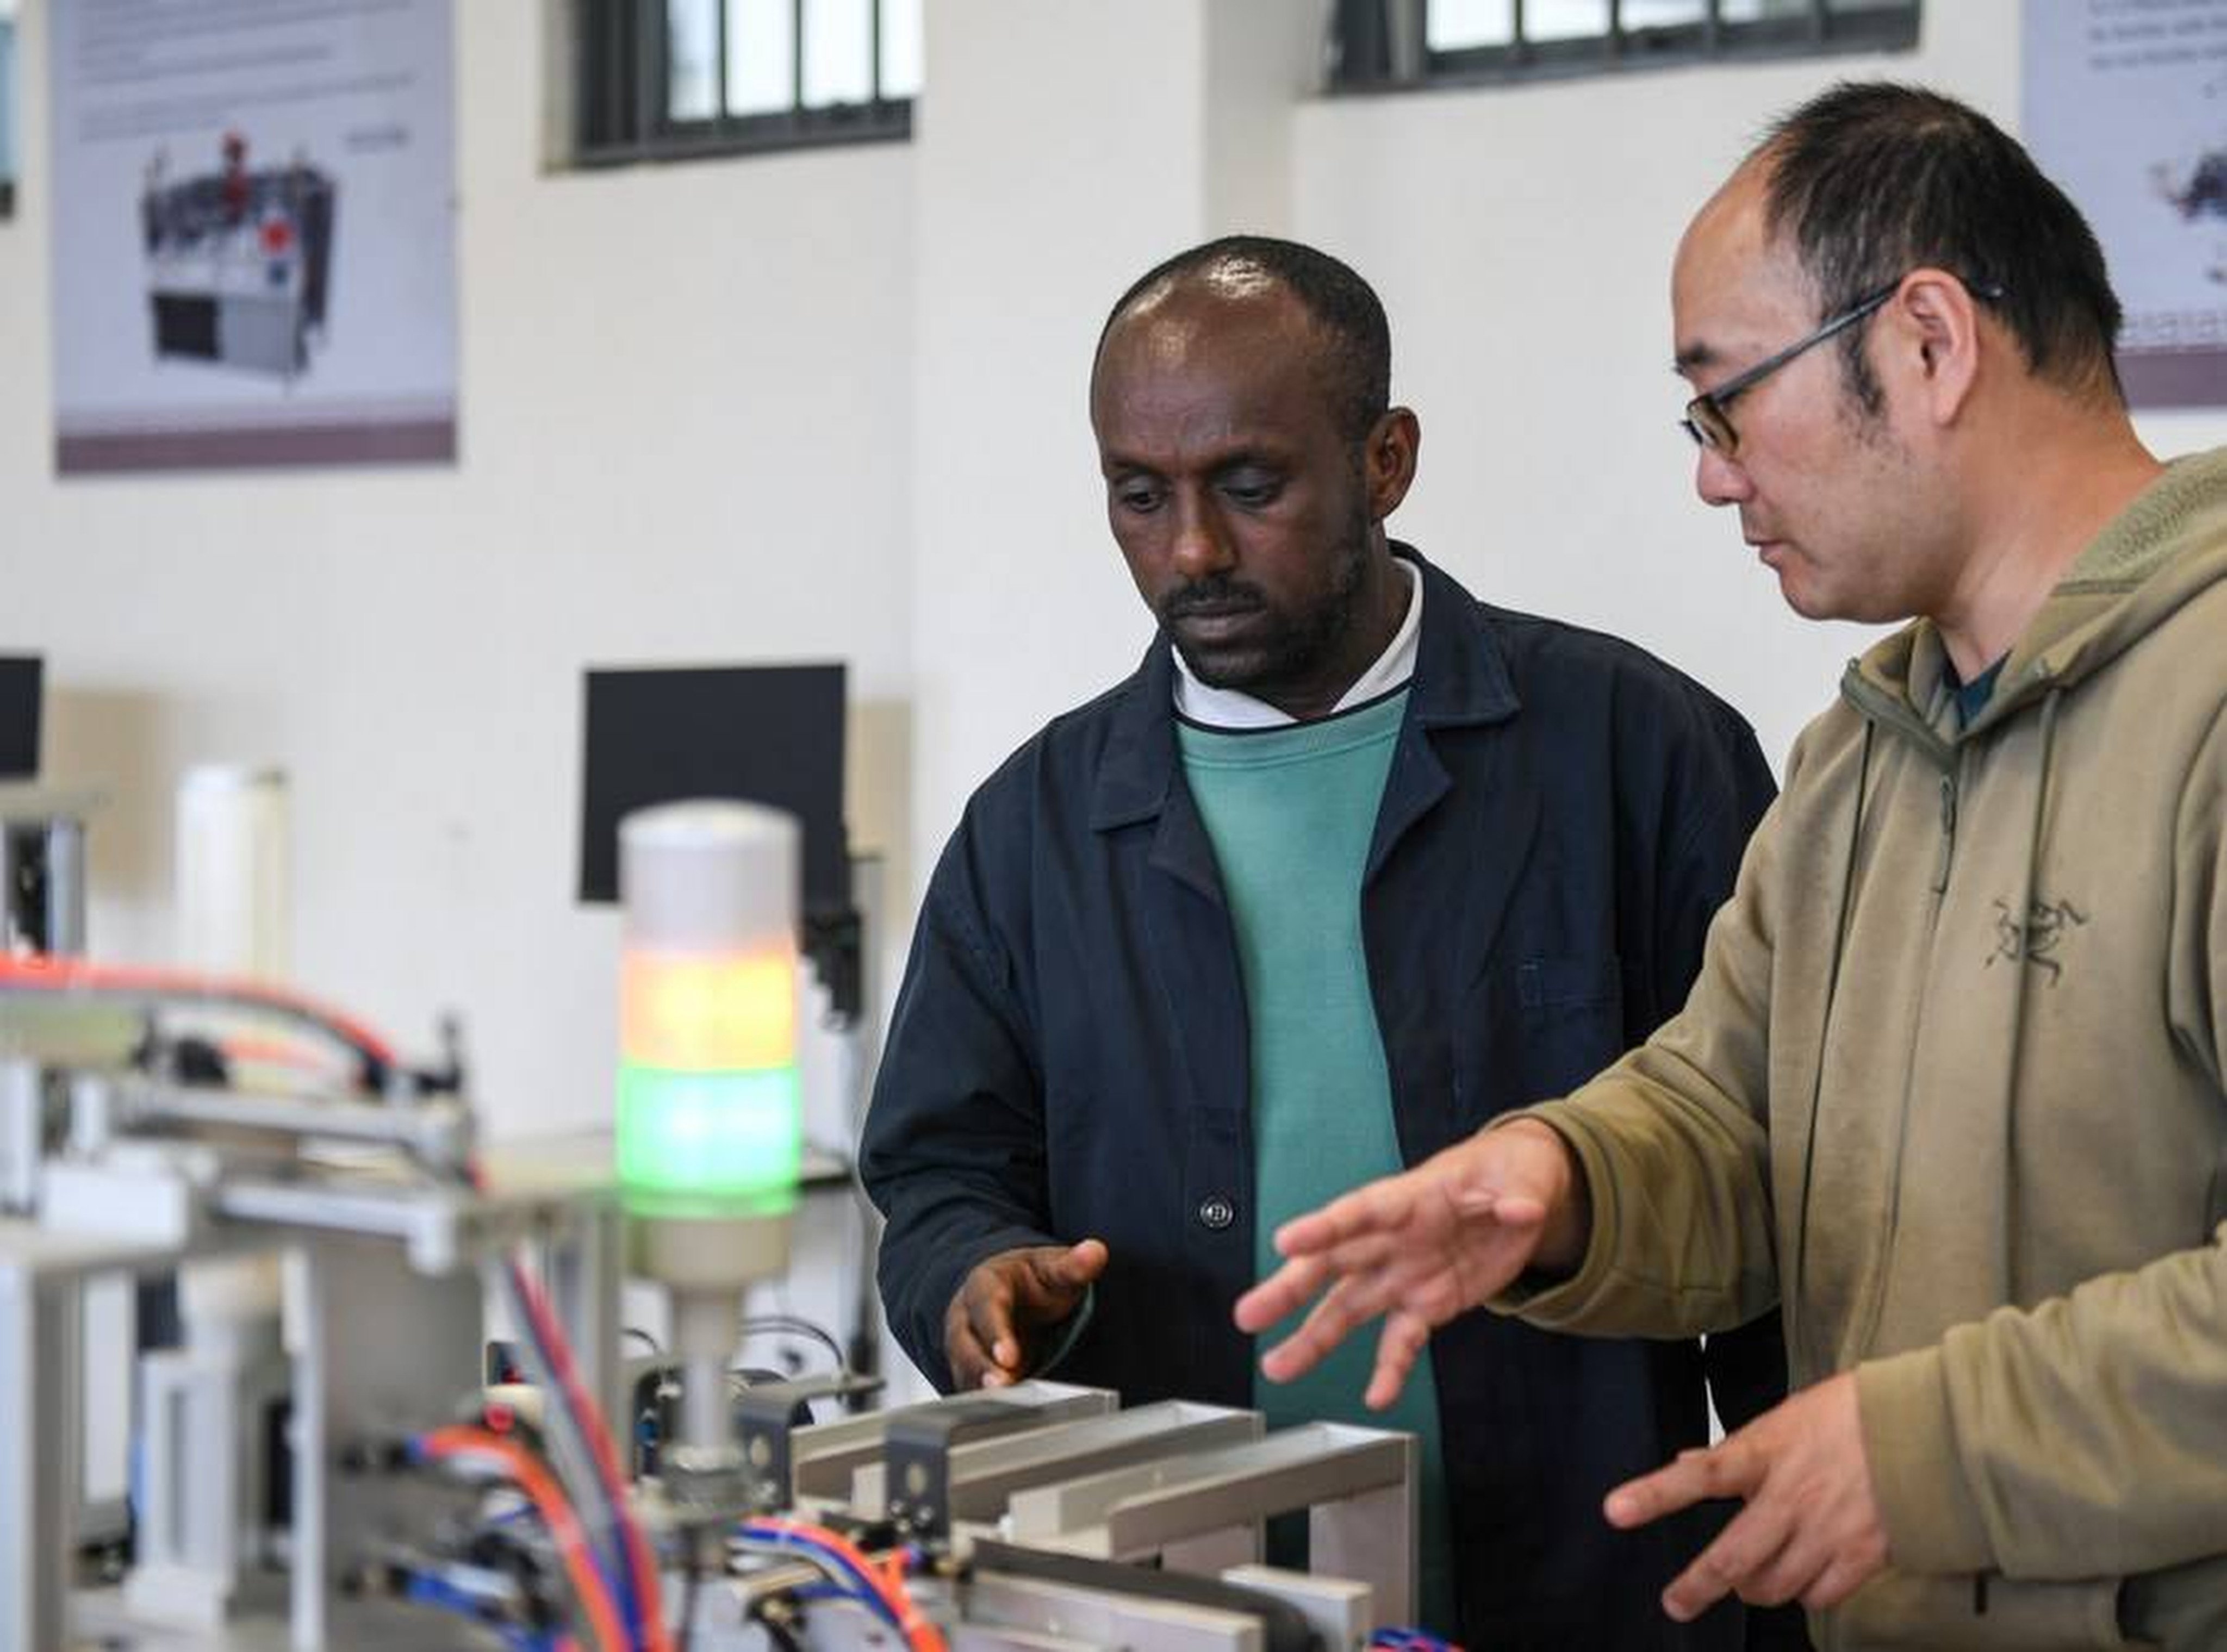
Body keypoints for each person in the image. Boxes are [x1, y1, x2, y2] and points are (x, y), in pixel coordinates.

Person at [1236, 84, 2227, 1650]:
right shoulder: (1865, 752)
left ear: (1926, 344)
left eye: (1727, 399)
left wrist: (1921, 1455)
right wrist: (1559, 1182)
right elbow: (1733, 1114)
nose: (1712, 472)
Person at [862, 235, 1803, 1649]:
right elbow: (938, 1173)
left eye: (1250, 487)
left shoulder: (1635, 755)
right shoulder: (1034, 830)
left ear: (1385, 461)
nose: (1191, 550)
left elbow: (1780, 1179)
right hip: (1181, 1596)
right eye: (1140, 496)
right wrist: (979, 1281)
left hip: (1587, 1589)